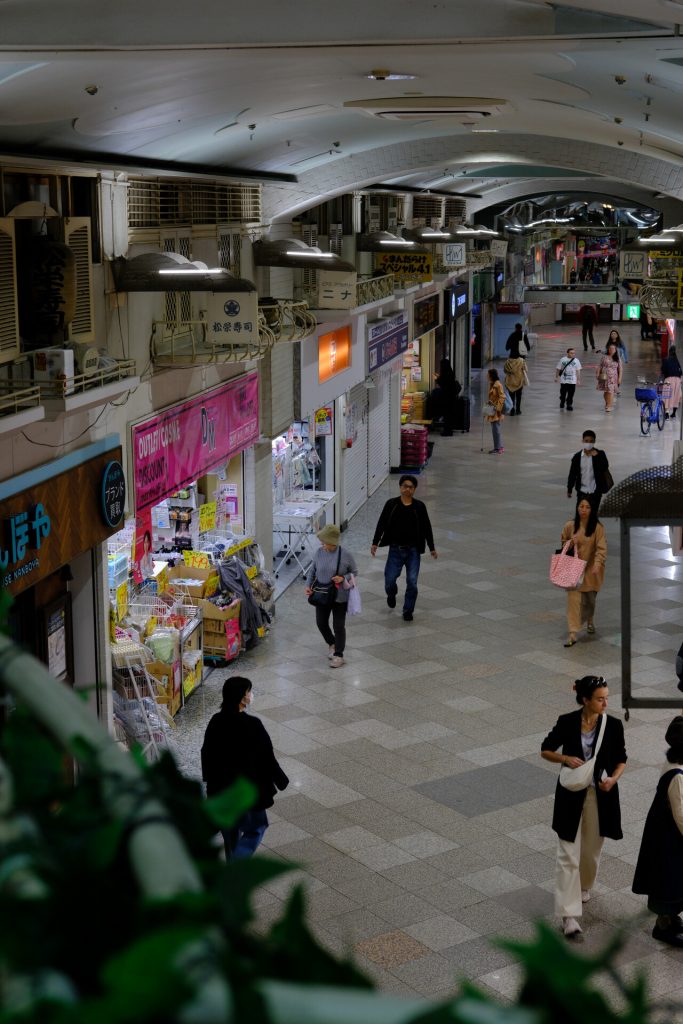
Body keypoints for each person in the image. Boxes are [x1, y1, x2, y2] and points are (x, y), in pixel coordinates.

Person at [541, 676, 626, 940]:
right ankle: (569, 916)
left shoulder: (612, 725)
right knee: (568, 853)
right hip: (570, 794)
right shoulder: (567, 722)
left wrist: (613, 779)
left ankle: (585, 885)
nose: (605, 703)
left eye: (607, 698)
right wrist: (565, 757)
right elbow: (545, 749)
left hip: (600, 795)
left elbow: (622, 758)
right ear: (585, 700)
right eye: (600, 698)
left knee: (590, 850)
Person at [201, 675, 289, 859]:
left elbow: (206, 753)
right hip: (245, 792)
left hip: (221, 791)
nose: (251, 695)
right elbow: (267, 757)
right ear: (242, 698)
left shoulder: (216, 720)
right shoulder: (252, 725)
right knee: (257, 827)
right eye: (249, 691)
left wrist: (210, 781)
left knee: (230, 833)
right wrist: (281, 780)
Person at [632, 716, 683, 948]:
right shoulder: (678, 777)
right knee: (669, 881)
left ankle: (670, 919)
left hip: (663, 833)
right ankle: (663, 927)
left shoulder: (673, 765)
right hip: (670, 839)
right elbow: (681, 815)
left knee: (671, 881)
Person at [371, 474, 437, 622]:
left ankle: (408, 610)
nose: (407, 489)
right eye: (404, 486)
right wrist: (375, 542)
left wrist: (432, 547)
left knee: (412, 581)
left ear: (414, 490)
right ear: (400, 487)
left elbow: (427, 527)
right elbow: (381, 523)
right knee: (389, 580)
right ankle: (391, 594)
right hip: (395, 549)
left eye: (411, 487)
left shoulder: (419, 507)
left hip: (413, 550)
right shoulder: (391, 504)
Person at [305, 523, 358, 667]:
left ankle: (339, 655)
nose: (322, 544)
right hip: (321, 594)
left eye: (324, 542)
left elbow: (354, 572)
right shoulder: (319, 553)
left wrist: (343, 578)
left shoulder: (345, 555)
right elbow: (312, 570)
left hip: (339, 595)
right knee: (321, 622)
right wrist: (308, 586)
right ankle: (332, 643)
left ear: (332, 542)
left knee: (338, 625)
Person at [560, 498, 606, 647]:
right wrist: (570, 542)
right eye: (581, 506)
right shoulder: (570, 526)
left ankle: (590, 619)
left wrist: (598, 564)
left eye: (587, 507)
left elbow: (601, 548)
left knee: (589, 601)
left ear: (592, 510)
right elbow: (563, 543)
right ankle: (573, 633)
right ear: (577, 508)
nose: (584, 510)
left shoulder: (597, 528)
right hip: (574, 569)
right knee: (573, 601)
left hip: (591, 571)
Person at [567, 430, 611, 511]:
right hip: (582, 492)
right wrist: (569, 488)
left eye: (591, 441)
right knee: (580, 515)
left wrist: (597, 457)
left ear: (594, 442)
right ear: (582, 441)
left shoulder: (600, 454)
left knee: (593, 515)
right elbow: (573, 473)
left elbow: (605, 467)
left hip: (595, 492)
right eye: (586, 441)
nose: (588, 443)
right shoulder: (577, 457)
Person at [431, 358, 462, 436]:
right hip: (452, 398)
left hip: (447, 399)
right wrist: (439, 377)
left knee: (447, 415)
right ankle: (449, 430)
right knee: (449, 415)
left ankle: (447, 431)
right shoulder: (450, 372)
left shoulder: (446, 374)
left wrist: (436, 379)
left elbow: (444, 385)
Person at [596, 340, 621, 413]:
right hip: (604, 376)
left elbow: (620, 369)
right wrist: (597, 374)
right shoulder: (604, 357)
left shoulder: (618, 358)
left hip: (613, 377)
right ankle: (607, 403)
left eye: (613, 349)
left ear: (615, 350)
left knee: (611, 391)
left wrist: (619, 378)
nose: (611, 350)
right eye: (610, 349)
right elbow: (599, 366)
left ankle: (610, 406)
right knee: (605, 391)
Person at [661, 345, 682, 419]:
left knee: (667, 396)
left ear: (669, 352)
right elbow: (680, 372)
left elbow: (663, 371)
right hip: (678, 381)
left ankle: (666, 414)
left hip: (669, 380)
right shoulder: (676, 360)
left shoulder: (666, 360)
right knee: (676, 396)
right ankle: (673, 413)